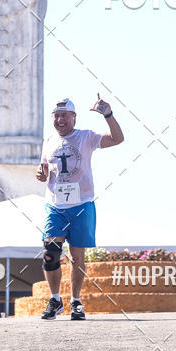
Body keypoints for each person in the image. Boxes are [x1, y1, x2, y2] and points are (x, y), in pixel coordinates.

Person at [36, 96, 124, 321]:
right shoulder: (48, 141)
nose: (59, 119)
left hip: (81, 203)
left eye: (64, 115)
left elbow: (117, 138)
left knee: (77, 257)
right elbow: (45, 169)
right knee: (50, 254)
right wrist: (41, 174)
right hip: (55, 205)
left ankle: (76, 301)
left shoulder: (85, 137)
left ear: (74, 117)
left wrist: (108, 114)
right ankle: (55, 299)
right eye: (56, 115)